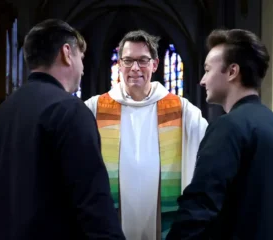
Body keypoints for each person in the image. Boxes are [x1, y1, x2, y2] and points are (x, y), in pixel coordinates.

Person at [0, 19, 125, 240]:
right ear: (67, 53)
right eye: (82, 58)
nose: (84, 68)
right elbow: (93, 202)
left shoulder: (2, 112)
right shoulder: (70, 111)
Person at [166, 29, 273, 240]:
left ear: (232, 72)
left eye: (208, 70)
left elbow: (201, 205)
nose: (202, 80)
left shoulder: (228, 127)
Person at [84, 30, 208, 240]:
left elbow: (210, 145)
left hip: (162, 218)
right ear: (120, 64)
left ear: (155, 64)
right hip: (113, 219)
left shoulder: (182, 109)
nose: (135, 68)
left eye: (142, 61)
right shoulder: (95, 108)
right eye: (128, 60)